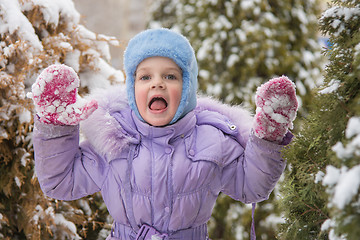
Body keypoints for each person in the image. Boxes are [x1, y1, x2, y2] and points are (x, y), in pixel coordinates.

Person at [31, 28, 298, 240]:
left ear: (188, 88)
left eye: (170, 76)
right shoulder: (113, 139)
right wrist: (55, 128)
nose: (157, 82)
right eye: (145, 77)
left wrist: (267, 139)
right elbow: (60, 182)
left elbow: (251, 186)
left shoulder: (211, 140)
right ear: (131, 89)